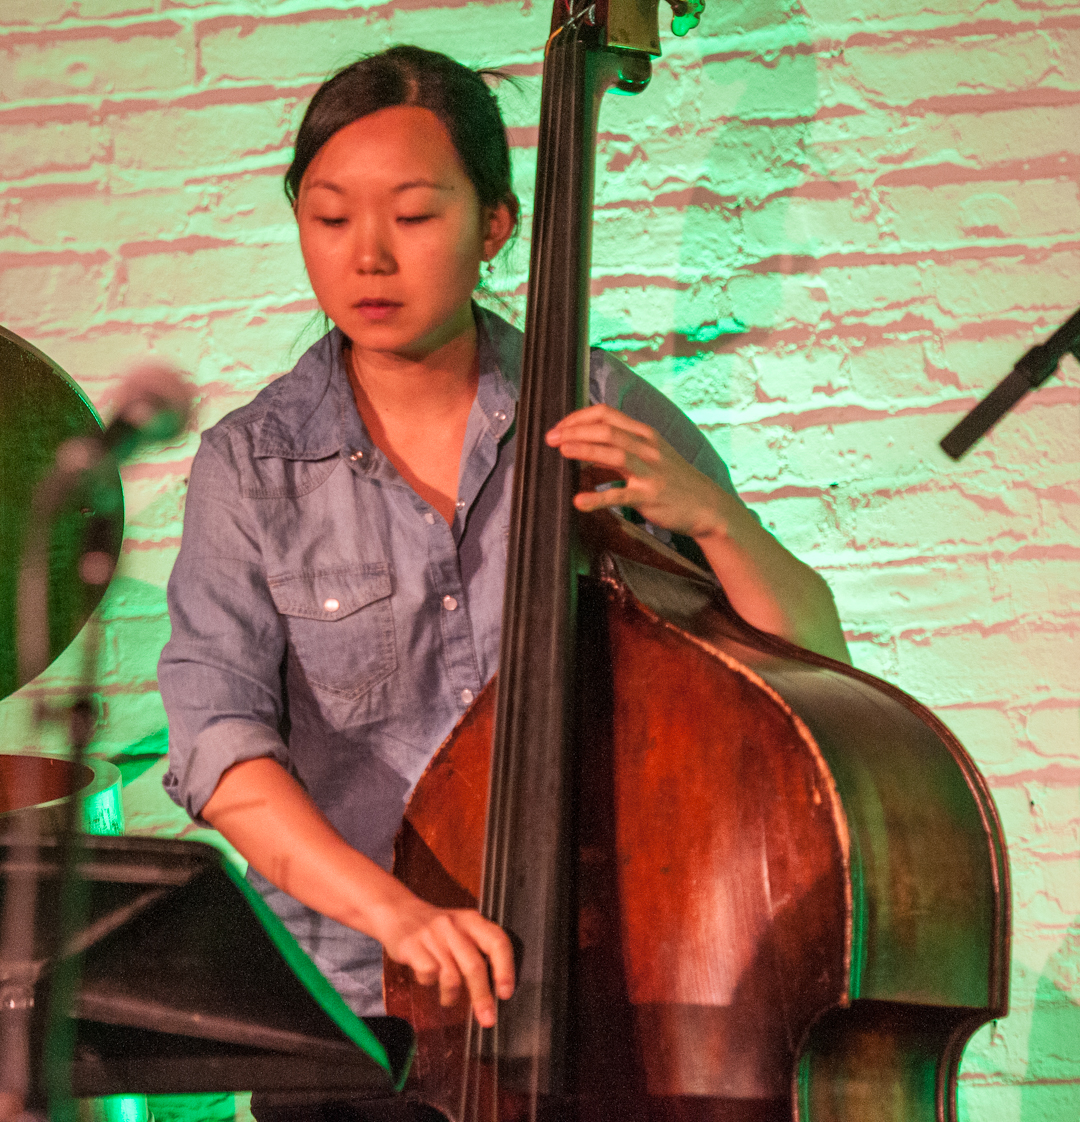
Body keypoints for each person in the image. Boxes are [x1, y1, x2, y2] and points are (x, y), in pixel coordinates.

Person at [159, 45, 849, 1043]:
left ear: (496, 226)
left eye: (414, 215)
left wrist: (716, 521)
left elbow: (815, 667)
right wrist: (398, 914)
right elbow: (218, 747)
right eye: (331, 216)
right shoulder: (250, 467)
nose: (369, 256)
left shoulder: (596, 407)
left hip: (617, 983)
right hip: (362, 1013)